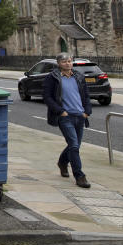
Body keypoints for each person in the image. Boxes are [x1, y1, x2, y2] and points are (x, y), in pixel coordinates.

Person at [42, 53, 92, 188]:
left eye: (69, 61)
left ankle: (62, 162)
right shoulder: (52, 77)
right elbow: (47, 97)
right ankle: (80, 176)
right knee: (74, 146)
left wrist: (87, 112)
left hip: (80, 116)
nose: (67, 63)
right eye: (64, 61)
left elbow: (86, 96)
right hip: (65, 117)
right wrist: (60, 111)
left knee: (74, 145)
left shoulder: (79, 77)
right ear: (58, 63)